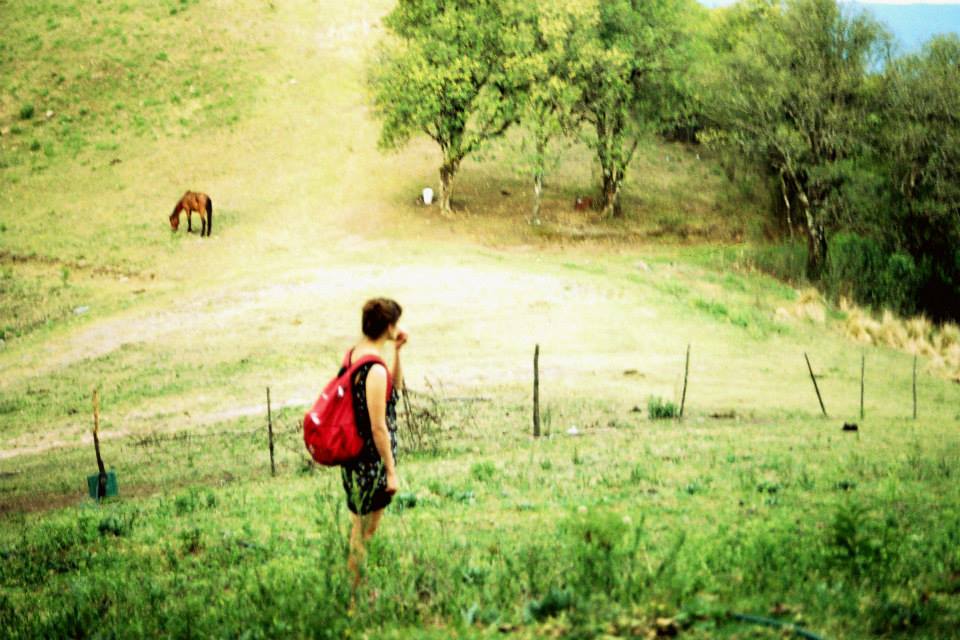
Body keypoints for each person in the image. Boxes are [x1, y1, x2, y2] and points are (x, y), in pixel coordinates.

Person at [340, 297, 406, 587]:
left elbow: (394, 392)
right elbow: (379, 427)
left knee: (359, 529)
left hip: (354, 458)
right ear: (388, 326)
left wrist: (397, 353)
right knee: (365, 533)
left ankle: (354, 588)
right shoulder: (374, 370)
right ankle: (356, 594)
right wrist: (390, 471)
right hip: (371, 463)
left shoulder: (355, 355)